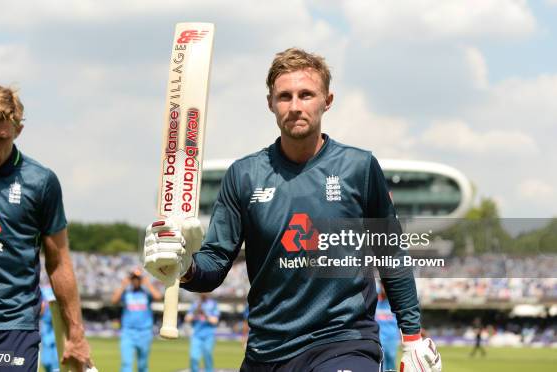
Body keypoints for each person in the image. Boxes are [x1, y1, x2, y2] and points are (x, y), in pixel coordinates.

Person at [144, 48, 442, 372]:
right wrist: (184, 266)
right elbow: (214, 262)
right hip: (266, 352)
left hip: (343, 342)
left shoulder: (359, 167)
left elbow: (391, 254)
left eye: (306, 94)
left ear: (327, 100)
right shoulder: (244, 175)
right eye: (285, 96)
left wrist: (412, 336)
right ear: (270, 103)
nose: (295, 106)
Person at [0, 84, 93, 371]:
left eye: (0, 138)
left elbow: (59, 262)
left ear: (17, 131)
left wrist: (76, 333)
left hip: (13, 331)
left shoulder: (41, 182)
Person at [111, 268, 162, 372]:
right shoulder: (126, 293)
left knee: (142, 365)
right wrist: (123, 286)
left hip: (144, 332)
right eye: (133, 278)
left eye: (138, 278)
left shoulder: (146, 293)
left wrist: (147, 284)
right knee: (126, 364)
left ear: (141, 279)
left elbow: (158, 297)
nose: (135, 281)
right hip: (128, 332)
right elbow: (114, 300)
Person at [184, 293, 220, 372]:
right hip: (196, 335)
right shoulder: (195, 304)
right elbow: (187, 319)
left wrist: (205, 314)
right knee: (194, 357)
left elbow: (215, 321)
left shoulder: (213, 304)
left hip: (209, 335)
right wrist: (195, 311)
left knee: (208, 356)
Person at [375, 282, 400, 371]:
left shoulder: (394, 299)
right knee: (381, 365)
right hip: (379, 339)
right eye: (383, 285)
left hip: (392, 339)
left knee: (392, 365)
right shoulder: (374, 298)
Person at [40, 285, 59, 372]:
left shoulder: (60, 288)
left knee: (56, 363)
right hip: (46, 328)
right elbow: (41, 308)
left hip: (58, 328)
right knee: (46, 362)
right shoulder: (43, 290)